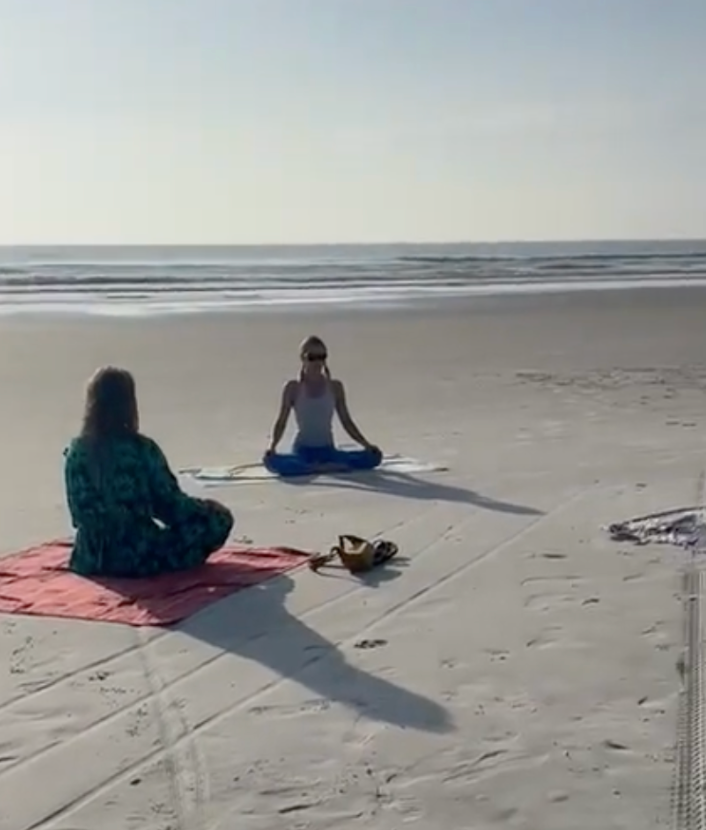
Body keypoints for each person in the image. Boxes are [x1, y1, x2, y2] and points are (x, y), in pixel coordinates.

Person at [64, 366, 233, 578]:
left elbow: (78, 515)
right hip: (138, 556)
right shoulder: (141, 448)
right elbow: (170, 506)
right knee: (218, 520)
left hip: (90, 557)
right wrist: (208, 510)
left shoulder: (77, 451)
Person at [264, 335, 382, 477]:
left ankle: (319, 466)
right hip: (303, 452)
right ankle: (317, 468)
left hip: (328, 450)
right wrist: (272, 446)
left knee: (374, 457)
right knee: (272, 462)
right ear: (303, 358)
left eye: (321, 356)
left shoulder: (335, 387)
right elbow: (281, 421)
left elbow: (346, 421)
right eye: (312, 357)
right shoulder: (293, 388)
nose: (317, 362)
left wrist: (366, 445)